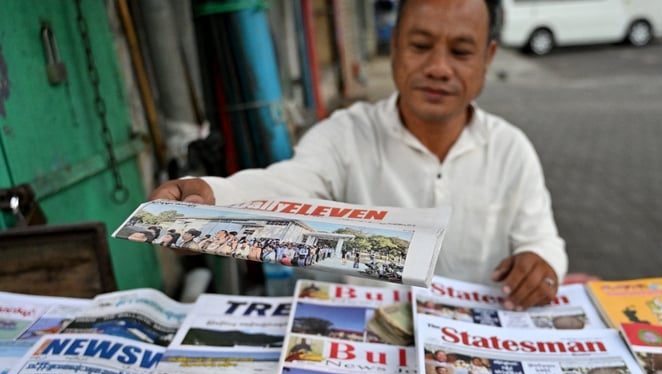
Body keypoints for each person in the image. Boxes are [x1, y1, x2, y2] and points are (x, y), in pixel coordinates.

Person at [147, 0, 566, 310]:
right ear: (395, 45)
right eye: (420, 45)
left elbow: (542, 240)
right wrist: (212, 197)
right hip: (365, 340)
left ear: (488, 57)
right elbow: (288, 183)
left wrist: (540, 264)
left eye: (460, 52)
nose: (439, 67)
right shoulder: (345, 135)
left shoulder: (512, 150)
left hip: (470, 342)